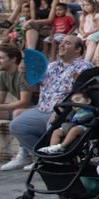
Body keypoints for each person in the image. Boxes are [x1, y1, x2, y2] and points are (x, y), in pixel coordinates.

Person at [6, 35, 92, 169]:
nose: (62, 45)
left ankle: (55, 162)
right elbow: (34, 88)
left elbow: (82, 94)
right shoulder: (51, 66)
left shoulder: (84, 67)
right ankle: (41, 158)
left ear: (78, 50)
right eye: (61, 43)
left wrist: (63, 109)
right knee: (17, 125)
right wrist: (24, 74)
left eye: (67, 43)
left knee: (53, 124)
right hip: (41, 109)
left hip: (64, 111)